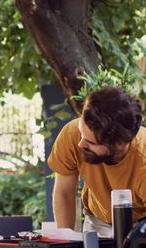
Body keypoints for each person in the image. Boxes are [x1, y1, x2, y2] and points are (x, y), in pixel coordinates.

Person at [48, 86, 145, 237]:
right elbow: (64, 192)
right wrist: (65, 240)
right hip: (97, 221)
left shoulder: (143, 160)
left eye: (90, 143)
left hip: (140, 226)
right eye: (81, 133)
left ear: (118, 143)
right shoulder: (72, 134)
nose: (81, 144)